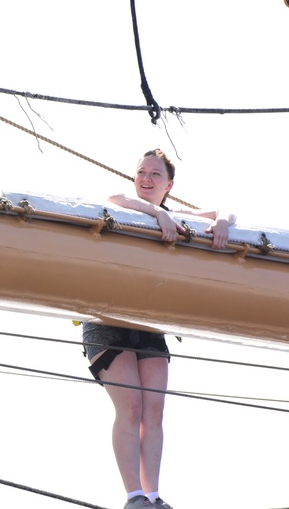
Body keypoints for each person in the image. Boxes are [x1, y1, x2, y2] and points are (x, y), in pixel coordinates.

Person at [83, 149, 235, 509]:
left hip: (150, 323)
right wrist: (157, 212)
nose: (146, 179)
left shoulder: (177, 215)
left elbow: (223, 210)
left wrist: (224, 223)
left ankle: (152, 495)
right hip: (107, 321)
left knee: (154, 411)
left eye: (155, 175)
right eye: (141, 172)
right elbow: (113, 198)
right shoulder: (124, 205)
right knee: (131, 405)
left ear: (169, 185)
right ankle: (133, 495)